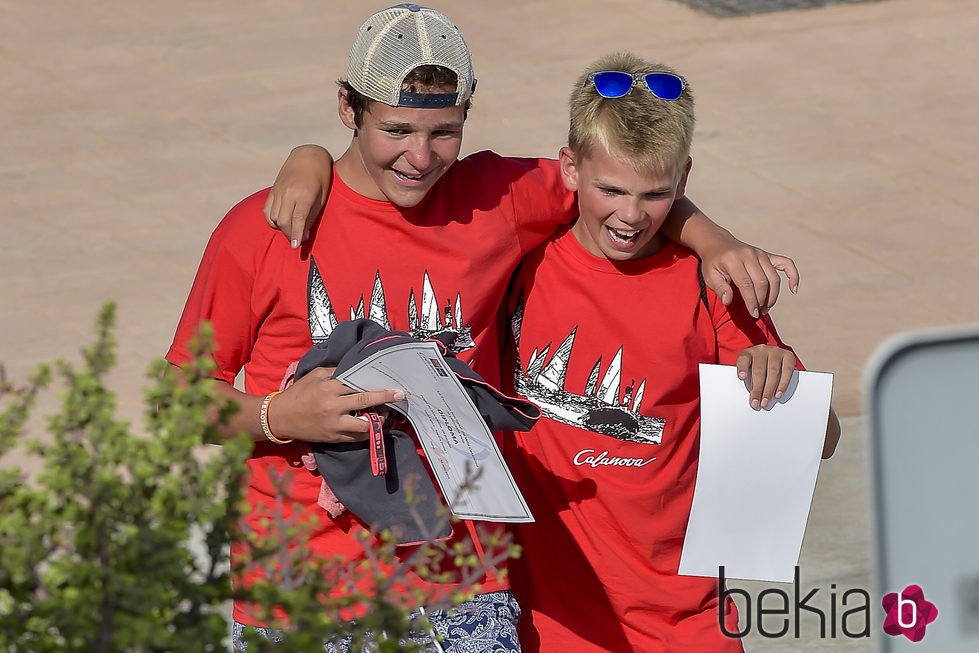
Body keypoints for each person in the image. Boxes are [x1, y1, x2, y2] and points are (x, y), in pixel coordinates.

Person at [167, 5, 799, 651]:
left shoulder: (498, 197)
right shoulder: (266, 227)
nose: (419, 156)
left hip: (463, 583)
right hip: (299, 583)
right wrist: (279, 415)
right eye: (395, 129)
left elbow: (627, 180)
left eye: (443, 131)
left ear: (468, 114)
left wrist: (714, 240)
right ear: (346, 107)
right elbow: (176, 400)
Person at [500, 52, 842, 652]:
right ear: (569, 169)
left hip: (687, 623)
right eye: (611, 189)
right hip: (550, 623)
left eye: (655, 194)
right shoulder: (518, 264)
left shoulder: (708, 284)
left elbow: (827, 437)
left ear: (684, 181)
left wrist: (783, 385)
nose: (631, 216)